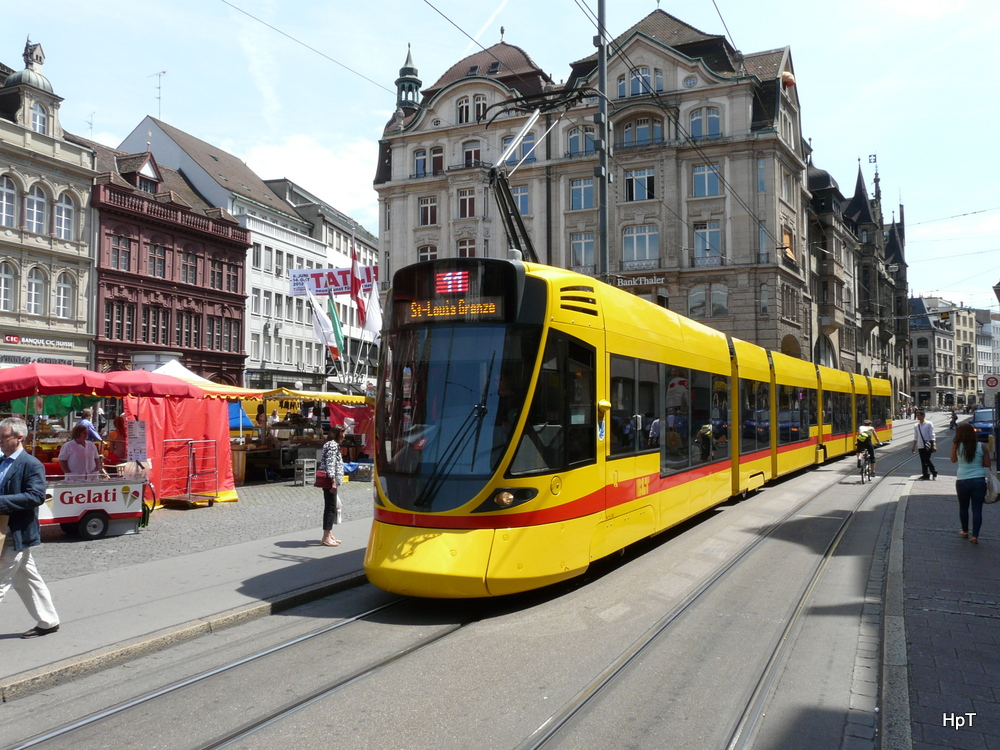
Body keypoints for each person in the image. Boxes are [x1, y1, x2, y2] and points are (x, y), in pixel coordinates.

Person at [0, 417, 60, 638]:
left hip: (15, 531)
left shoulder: (31, 464)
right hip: (3, 530)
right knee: (26, 577)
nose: (0, 441)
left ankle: (48, 620)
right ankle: (49, 620)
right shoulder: (2, 461)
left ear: (19, 437)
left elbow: (36, 496)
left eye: (4, 437)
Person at [950, 422, 990, 544]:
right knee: (977, 509)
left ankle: (965, 531)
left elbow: (953, 460)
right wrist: (977, 463)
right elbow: (988, 464)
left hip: (962, 480)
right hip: (978, 480)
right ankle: (975, 536)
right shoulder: (982, 446)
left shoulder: (957, 446)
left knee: (963, 507)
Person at [319, 425, 346, 547]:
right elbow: (330, 464)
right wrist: (333, 481)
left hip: (331, 480)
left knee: (331, 506)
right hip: (330, 481)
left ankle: (329, 534)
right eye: (343, 433)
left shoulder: (329, 444)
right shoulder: (333, 445)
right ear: (338, 434)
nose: (344, 436)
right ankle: (326, 536)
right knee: (330, 508)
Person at [911, 410, 938, 480]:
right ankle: (925, 474)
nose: (917, 416)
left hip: (928, 445)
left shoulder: (929, 424)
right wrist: (913, 446)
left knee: (926, 459)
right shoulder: (916, 425)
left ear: (923, 416)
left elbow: (932, 435)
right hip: (920, 445)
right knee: (923, 460)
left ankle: (934, 471)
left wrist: (934, 444)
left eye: (919, 415)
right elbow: (916, 436)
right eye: (917, 415)